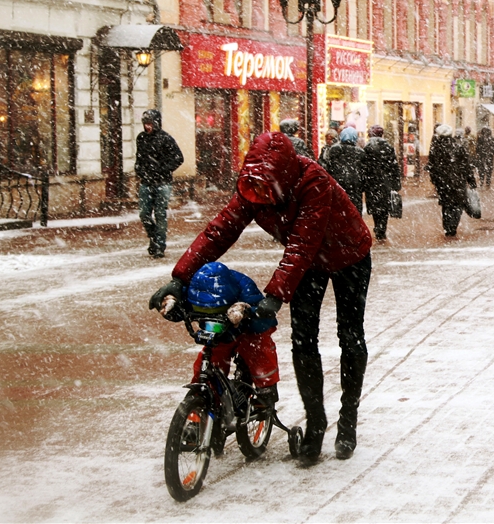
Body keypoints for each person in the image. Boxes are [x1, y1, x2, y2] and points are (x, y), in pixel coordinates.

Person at [153, 131, 373, 463]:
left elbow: (302, 243)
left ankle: (348, 419)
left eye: (266, 186)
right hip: (307, 265)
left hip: (349, 255)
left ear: (283, 177)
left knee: (350, 336)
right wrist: (180, 277)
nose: (259, 194)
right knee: (302, 340)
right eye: (254, 185)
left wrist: (275, 294)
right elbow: (220, 229)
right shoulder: (255, 186)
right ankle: (316, 423)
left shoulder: (314, 183)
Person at [150, 261, 281, 411]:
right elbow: (185, 310)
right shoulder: (194, 291)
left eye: (215, 311)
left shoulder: (245, 289)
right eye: (201, 311)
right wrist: (172, 309)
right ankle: (205, 395)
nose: (206, 315)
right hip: (219, 334)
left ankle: (266, 390)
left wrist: (248, 312)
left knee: (258, 350)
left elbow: (264, 321)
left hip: (247, 330)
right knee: (209, 361)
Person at [135, 109, 184, 258]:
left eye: (150, 124)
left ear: (156, 123)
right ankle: (154, 238)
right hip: (146, 182)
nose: (147, 127)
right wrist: (139, 170)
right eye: (145, 124)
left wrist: (162, 170)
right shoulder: (141, 138)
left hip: (162, 183)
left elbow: (178, 158)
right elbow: (139, 158)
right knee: (144, 214)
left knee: (160, 214)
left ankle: (159, 246)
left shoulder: (166, 139)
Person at [426, 124, 477, 237]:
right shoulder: (458, 146)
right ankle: (453, 225)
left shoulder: (436, 148)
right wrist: (471, 180)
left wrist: (435, 180)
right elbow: (466, 166)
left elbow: (432, 166)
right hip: (458, 181)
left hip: (443, 182)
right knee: (457, 204)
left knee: (446, 204)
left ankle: (448, 226)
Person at [360, 125, 401, 241]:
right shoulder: (388, 147)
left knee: (374, 205)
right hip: (385, 181)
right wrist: (395, 182)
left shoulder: (367, 147)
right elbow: (394, 166)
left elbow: (364, 167)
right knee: (384, 206)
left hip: (372, 182)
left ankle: (378, 226)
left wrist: (364, 181)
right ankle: (382, 227)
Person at [323, 127, 364, 213]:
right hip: (355, 184)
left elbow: (329, 167)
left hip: (338, 183)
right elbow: (363, 170)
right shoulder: (360, 152)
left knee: (339, 208)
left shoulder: (334, 149)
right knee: (354, 209)